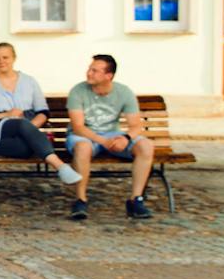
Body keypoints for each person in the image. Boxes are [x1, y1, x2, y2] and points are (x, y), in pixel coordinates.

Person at [0, 42, 81, 185]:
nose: (1, 61)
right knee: (21, 125)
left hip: (26, 128)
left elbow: (43, 112)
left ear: (14, 58)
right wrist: (6, 114)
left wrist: (29, 128)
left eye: (5, 57)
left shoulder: (29, 81)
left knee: (26, 148)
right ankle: (61, 166)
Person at [65, 54, 156, 221]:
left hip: (112, 134)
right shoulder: (78, 91)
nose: (89, 73)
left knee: (146, 146)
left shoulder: (123, 92)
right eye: (89, 69)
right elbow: (78, 127)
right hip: (85, 136)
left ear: (108, 75)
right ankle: (80, 200)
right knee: (83, 147)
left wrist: (125, 138)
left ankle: (136, 200)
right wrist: (103, 141)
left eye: (95, 70)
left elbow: (136, 126)